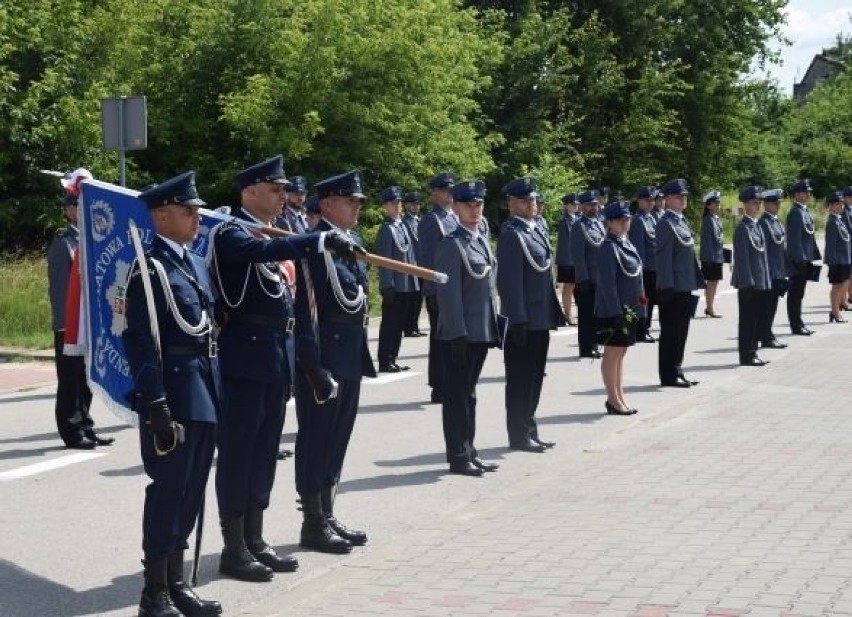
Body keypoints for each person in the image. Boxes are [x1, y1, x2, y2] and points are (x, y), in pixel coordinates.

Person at [209, 155, 360, 582]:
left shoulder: (278, 237)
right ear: (249, 192)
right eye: (274, 190)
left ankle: (255, 539)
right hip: (244, 359)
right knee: (239, 454)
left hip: (277, 359)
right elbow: (263, 251)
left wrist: (308, 363)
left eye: (282, 190)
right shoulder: (232, 233)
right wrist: (319, 241)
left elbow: (299, 310)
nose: (283, 197)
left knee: (263, 455)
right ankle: (233, 545)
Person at [122, 172, 222, 617]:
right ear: (162, 215)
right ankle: (154, 592)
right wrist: (156, 403)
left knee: (192, 489)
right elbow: (141, 342)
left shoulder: (194, 262)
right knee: (168, 490)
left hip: (203, 387)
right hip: (172, 395)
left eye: (197, 210)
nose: (196, 218)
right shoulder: (149, 269)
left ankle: (178, 583)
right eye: (188, 211)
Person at [293, 170, 375, 554]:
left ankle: (327, 513)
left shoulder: (352, 241)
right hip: (325, 354)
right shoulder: (313, 245)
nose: (357, 207)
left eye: (358, 202)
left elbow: (358, 297)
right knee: (317, 439)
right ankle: (312, 522)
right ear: (327, 204)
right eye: (351, 201)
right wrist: (313, 366)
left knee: (339, 437)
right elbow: (306, 310)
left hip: (351, 351)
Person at [435, 180, 500, 476]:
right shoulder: (452, 244)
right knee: (457, 395)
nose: (474, 210)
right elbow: (449, 296)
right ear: (457, 207)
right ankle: (458, 456)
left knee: (469, 394)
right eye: (468, 205)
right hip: (461, 333)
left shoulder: (480, 239)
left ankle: (470, 450)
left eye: (478, 205)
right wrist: (457, 332)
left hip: (480, 329)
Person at [496, 178, 564, 453]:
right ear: (510, 204)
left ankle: (530, 429)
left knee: (535, 377)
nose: (531, 204)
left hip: (540, 315)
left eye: (533, 199)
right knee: (520, 380)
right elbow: (509, 282)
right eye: (524, 200)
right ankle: (518, 434)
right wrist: (518, 319)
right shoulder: (512, 234)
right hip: (523, 319)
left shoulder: (536, 230)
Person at [47, 173, 113, 450]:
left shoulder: (90, 241)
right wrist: (65, 327)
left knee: (86, 379)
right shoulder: (64, 244)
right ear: (69, 210)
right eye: (78, 205)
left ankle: (85, 424)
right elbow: (60, 290)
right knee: (70, 380)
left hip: (87, 323)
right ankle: (71, 432)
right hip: (69, 326)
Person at [595, 201, 645, 415]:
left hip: (629, 308)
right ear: (610, 223)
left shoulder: (626, 243)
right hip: (614, 310)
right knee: (612, 353)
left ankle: (619, 396)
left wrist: (642, 307)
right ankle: (612, 399)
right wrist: (616, 311)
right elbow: (608, 284)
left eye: (627, 220)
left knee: (621, 352)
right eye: (620, 221)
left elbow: (637, 280)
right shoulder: (608, 247)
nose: (625, 224)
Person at [655, 178, 703, 388]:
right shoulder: (665, 223)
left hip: (684, 284)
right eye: (678, 196)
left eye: (684, 196)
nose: (683, 199)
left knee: (681, 331)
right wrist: (666, 286)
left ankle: (677, 369)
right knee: (671, 333)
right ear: (667, 200)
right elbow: (663, 258)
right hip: (673, 287)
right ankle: (669, 374)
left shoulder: (681, 220)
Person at [418, 172, 458, 403]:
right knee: (440, 337)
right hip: (439, 289)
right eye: (445, 190)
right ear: (434, 194)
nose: (450, 194)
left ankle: (449, 380)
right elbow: (430, 258)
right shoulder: (432, 220)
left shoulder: (453, 217)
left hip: (454, 288)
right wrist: (433, 288)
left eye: (451, 190)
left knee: (452, 336)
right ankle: (439, 385)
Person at [375, 186, 418, 372]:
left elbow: (410, 256)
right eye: (393, 203)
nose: (397, 206)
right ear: (386, 206)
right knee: (390, 324)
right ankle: (385, 359)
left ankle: (393, 357)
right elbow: (384, 260)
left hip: (406, 283)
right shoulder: (387, 230)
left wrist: (414, 280)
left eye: (399, 202)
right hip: (394, 284)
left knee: (399, 324)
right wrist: (387, 285)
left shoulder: (403, 226)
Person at [731, 186, 772, 366]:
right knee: (747, 320)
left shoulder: (756, 226)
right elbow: (743, 259)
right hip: (749, 283)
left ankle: (753, 351)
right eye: (755, 203)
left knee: (756, 318)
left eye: (759, 203)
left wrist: (765, 281)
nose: (758, 206)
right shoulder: (743, 228)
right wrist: (747, 284)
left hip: (759, 281)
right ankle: (747, 354)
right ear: (746, 205)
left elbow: (762, 258)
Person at [570, 190, 606, 359]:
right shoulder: (579, 226)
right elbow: (578, 255)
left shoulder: (599, 223)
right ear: (582, 207)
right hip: (588, 278)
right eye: (590, 205)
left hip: (600, 277)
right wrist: (582, 278)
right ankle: (586, 347)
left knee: (597, 313)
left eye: (595, 204)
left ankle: (595, 343)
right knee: (586, 315)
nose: (594, 207)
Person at [785, 179, 820, 336]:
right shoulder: (795, 213)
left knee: (799, 293)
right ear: (797, 194)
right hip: (799, 260)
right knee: (795, 294)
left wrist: (811, 257)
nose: (808, 195)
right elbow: (794, 240)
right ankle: (796, 325)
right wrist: (800, 260)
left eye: (809, 192)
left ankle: (798, 322)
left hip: (805, 258)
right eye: (805, 192)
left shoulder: (803, 211)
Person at [757, 189, 789, 349]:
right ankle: (766, 336)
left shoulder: (775, 221)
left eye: (779, 203)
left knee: (772, 305)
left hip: (778, 271)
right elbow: (763, 251)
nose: (778, 205)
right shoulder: (763, 223)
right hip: (769, 272)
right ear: (766, 204)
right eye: (775, 203)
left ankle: (766, 334)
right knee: (766, 306)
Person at [628, 186, 658, 343]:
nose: (651, 203)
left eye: (652, 200)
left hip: (654, 267)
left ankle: (646, 327)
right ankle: (641, 330)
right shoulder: (638, 221)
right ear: (639, 201)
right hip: (645, 269)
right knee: (643, 301)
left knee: (650, 300)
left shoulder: (651, 218)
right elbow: (638, 248)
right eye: (647, 200)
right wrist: (641, 269)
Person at [401, 191, 426, 337]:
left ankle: (415, 326)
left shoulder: (420, 221)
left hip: (422, 264)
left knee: (418, 298)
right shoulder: (405, 223)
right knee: (412, 298)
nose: (415, 207)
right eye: (412, 204)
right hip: (413, 264)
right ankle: (409, 327)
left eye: (417, 204)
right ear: (406, 206)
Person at [824, 191, 851, 323]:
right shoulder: (833, 222)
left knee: (842, 285)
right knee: (837, 286)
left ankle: (835, 311)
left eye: (841, 204)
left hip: (845, 259)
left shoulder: (839, 220)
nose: (840, 206)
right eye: (837, 204)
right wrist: (832, 263)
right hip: (837, 260)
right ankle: (835, 312)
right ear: (831, 206)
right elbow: (831, 245)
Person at [699, 191, 725, 318]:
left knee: (715, 282)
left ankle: (710, 306)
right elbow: (707, 242)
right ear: (708, 205)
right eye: (715, 202)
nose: (718, 204)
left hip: (717, 256)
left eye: (718, 202)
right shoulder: (708, 220)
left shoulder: (716, 219)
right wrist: (710, 259)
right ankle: (709, 307)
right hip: (711, 257)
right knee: (711, 282)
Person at [555, 193, 579, 325]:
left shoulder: (576, 218)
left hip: (574, 259)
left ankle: (570, 313)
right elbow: (569, 242)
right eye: (573, 204)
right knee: (568, 286)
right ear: (566, 206)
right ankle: (567, 314)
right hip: (568, 258)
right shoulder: (565, 221)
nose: (576, 206)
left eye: (576, 204)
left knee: (573, 285)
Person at [841, 187, 852, 308]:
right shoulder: (844, 211)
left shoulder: (849, 209)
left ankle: (847, 298)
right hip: (847, 247)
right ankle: (843, 301)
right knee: (846, 276)